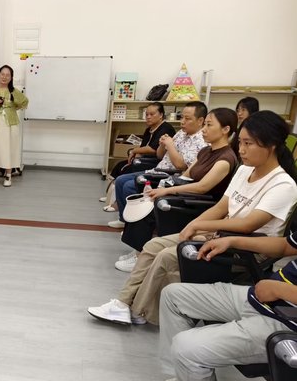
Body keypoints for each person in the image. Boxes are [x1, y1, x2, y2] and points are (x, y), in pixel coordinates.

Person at [89, 111, 297, 326]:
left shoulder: (283, 185)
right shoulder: (245, 170)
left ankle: (139, 311)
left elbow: (247, 224)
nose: (242, 149)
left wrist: (199, 225)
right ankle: (123, 303)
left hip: (246, 248)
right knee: (153, 246)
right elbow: (221, 207)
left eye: (249, 143)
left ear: (271, 145)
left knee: (167, 256)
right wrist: (194, 225)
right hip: (220, 234)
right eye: (241, 142)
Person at [145, 230, 297, 381]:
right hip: (260, 297)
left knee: (185, 345)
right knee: (174, 296)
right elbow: (286, 245)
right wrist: (232, 241)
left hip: (285, 322)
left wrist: (281, 290)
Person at [120, 108, 239, 253]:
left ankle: (141, 252)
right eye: (205, 125)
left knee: (153, 206)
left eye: (209, 125)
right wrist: (163, 187)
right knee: (147, 198)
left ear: (225, 129)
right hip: (186, 194)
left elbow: (202, 187)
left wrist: (167, 191)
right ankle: (139, 250)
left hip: (198, 203)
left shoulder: (225, 158)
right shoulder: (205, 151)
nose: (204, 129)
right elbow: (185, 176)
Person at [108, 101, 209, 271]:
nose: (182, 122)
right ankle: (135, 245)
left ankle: (140, 255)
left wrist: (170, 145)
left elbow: (181, 166)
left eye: (187, 118)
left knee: (136, 193)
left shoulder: (201, 143)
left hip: (169, 176)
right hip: (159, 171)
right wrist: (163, 145)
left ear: (200, 121)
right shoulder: (181, 134)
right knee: (121, 181)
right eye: (182, 117)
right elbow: (161, 155)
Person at [101, 102, 175, 211]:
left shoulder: (166, 129)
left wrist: (134, 151)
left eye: (152, 114)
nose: (148, 117)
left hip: (155, 162)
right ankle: (111, 196)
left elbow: (153, 149)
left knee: (126, 169)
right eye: (147, 114)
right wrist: (135, 155)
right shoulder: (149, 129)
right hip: (145, 159)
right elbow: (143, 147)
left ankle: (117, 202)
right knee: (119, 165)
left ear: (161, 115)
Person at [0, 65, 29, 187]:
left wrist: (13, 107)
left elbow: (24, 101)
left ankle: (8, 175)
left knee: (9, 148)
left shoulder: (14, 91)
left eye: (8, 75)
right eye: (2, 74)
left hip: (10, 125)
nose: (4, 77)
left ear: (11, 77)